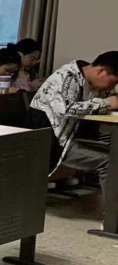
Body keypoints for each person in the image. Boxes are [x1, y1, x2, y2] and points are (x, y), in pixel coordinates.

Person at [29, 52, 118, 186]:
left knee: (114, 155)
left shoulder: (89, 81)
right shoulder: (67, 77)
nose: (112, 87)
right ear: (101, 71)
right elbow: (66, 109)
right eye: (113, 82)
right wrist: (106, 104)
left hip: (70, 136)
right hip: (51, 140)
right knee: (109, 162)